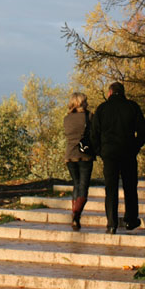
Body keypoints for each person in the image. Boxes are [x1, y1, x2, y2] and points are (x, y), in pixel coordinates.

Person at [90, 82, 145, 234]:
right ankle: (130, 219)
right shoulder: (132, 107)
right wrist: (135, 147)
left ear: (109, 93)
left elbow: (94, 134)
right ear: (123, 92)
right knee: (130, 186)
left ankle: (111, 223)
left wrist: (100, 151)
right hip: (128, 151)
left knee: (111, 188)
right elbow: (142, 131)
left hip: (109, 153)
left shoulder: (102, 109)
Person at [63, 92, 95, 230]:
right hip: (85, 155)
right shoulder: (89, 116)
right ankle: (77, 214)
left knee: (76, 184)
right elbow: (95, 133)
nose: (87, 103)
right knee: (84, 186)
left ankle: (74, 213)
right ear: (82, 102)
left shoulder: (67, 118)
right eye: (86, 101)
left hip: (70, 155)